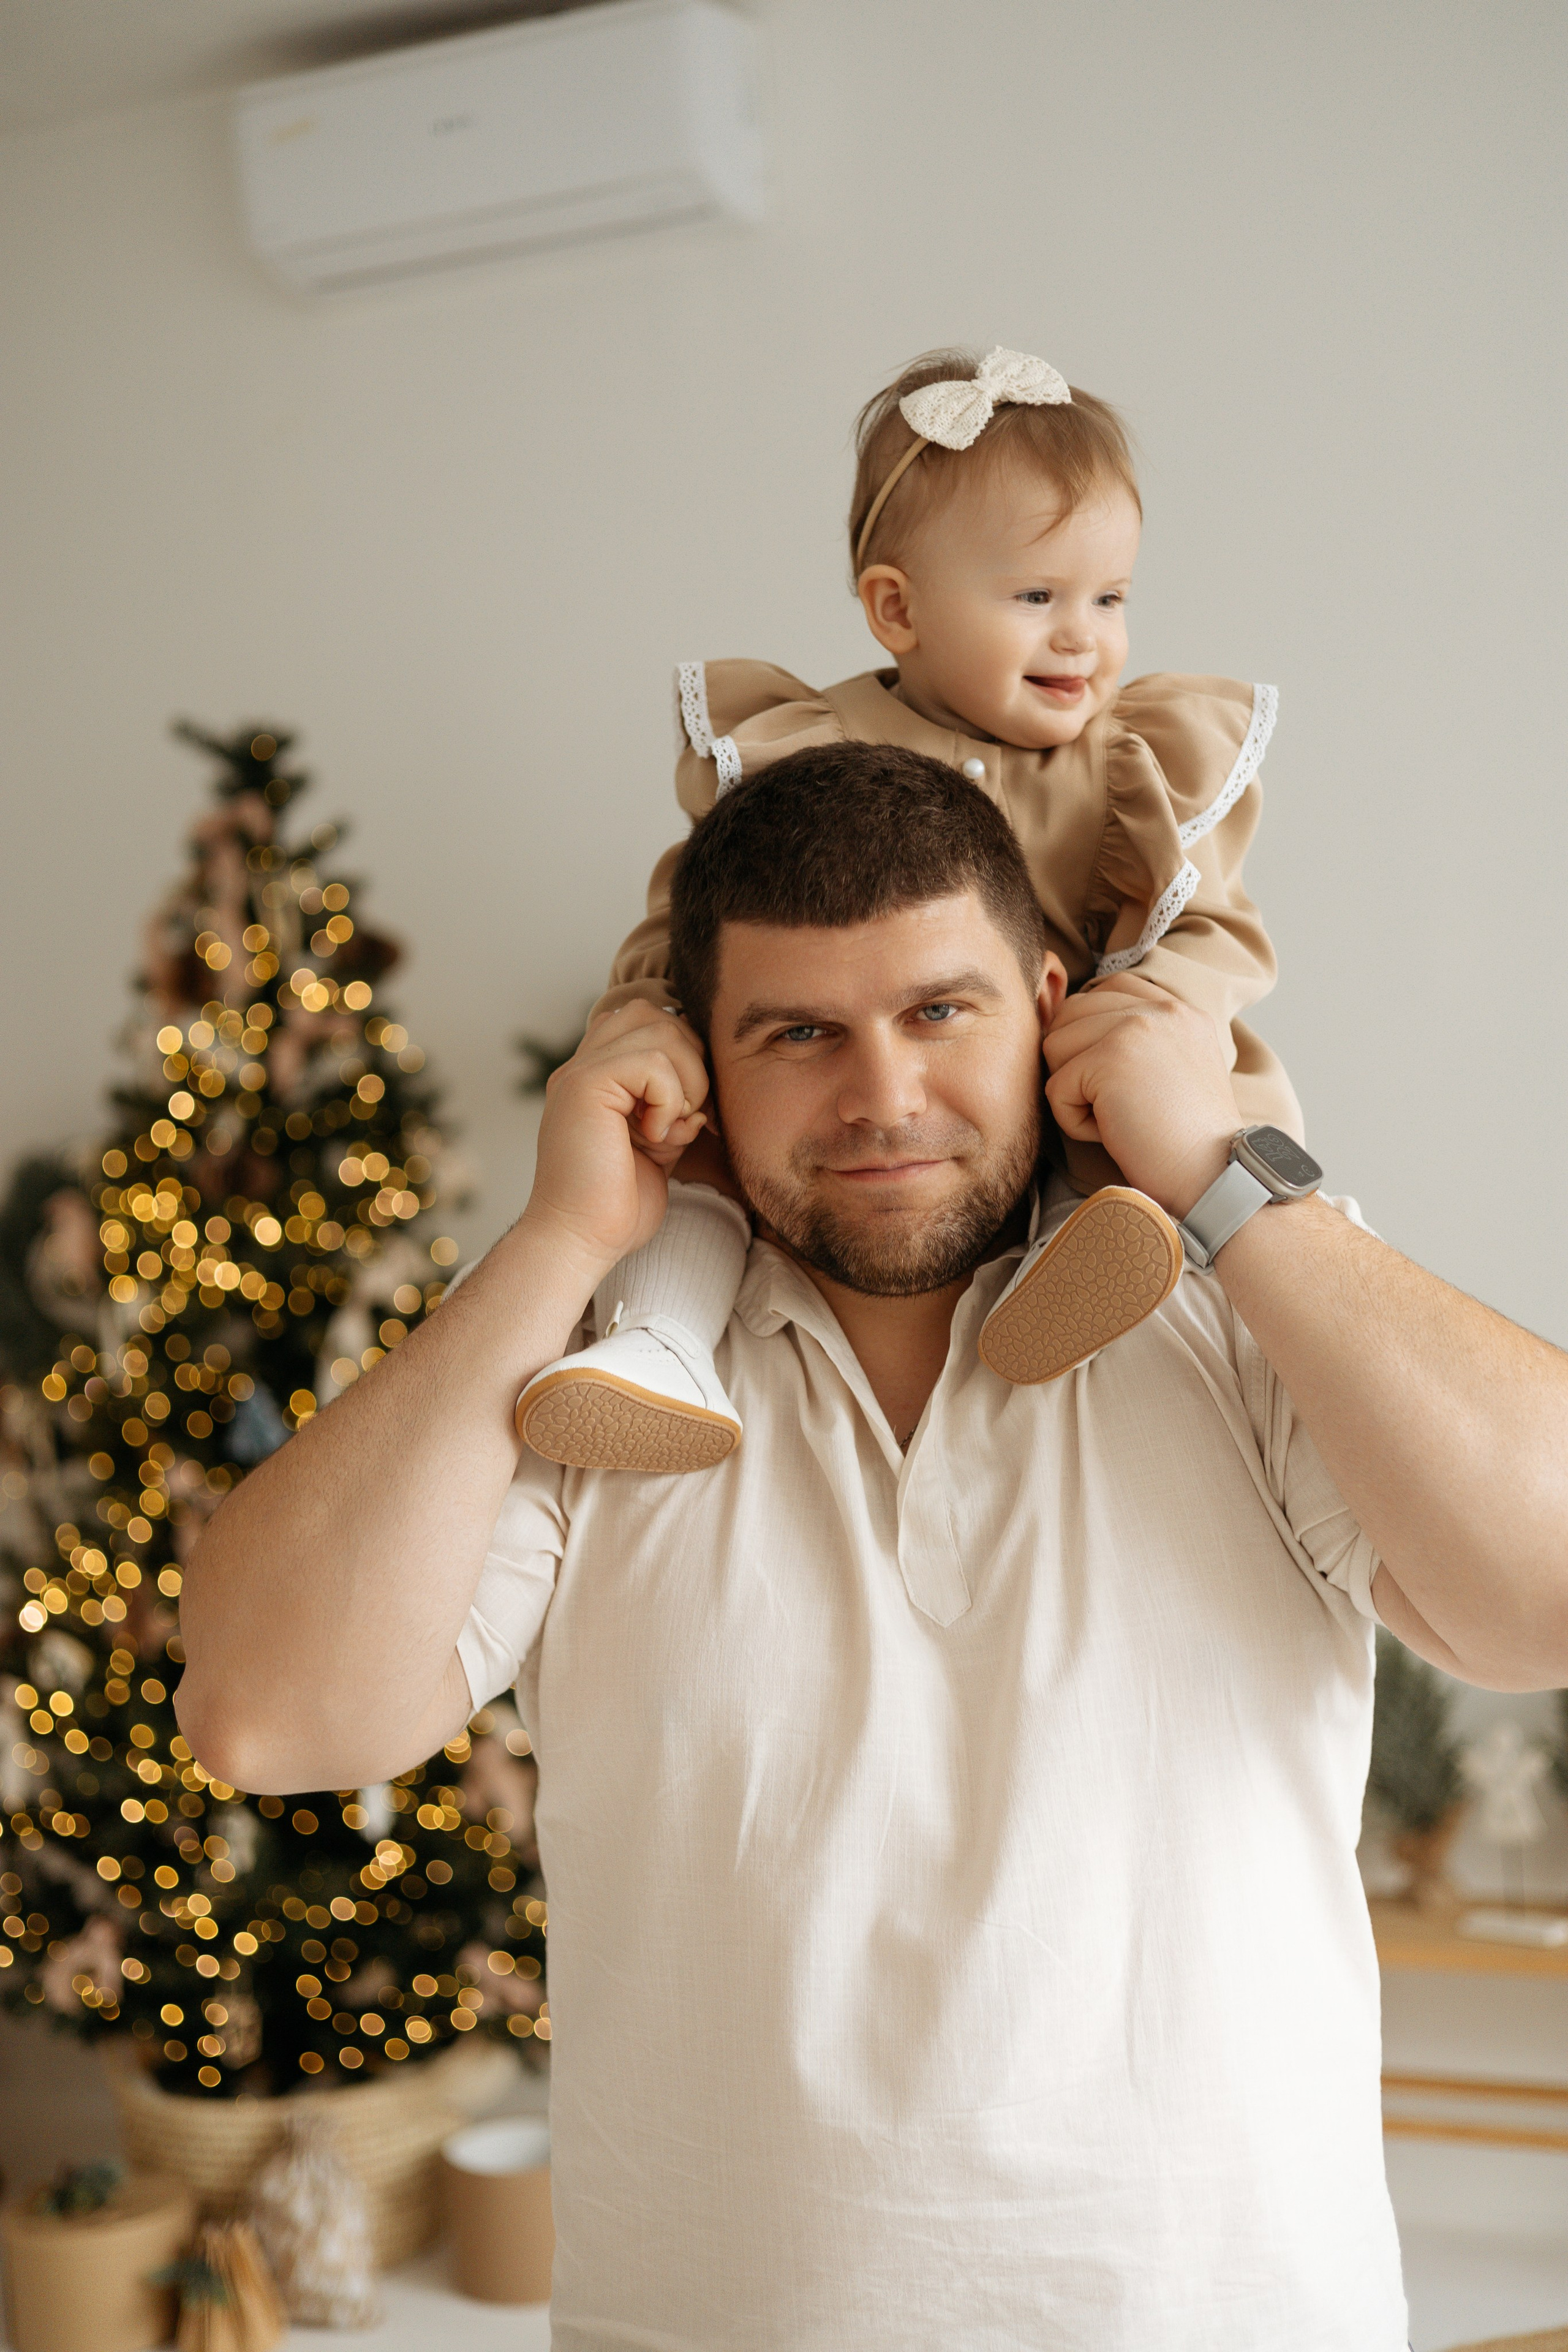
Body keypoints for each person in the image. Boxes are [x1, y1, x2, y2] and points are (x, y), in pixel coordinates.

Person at [177, 745, 1568, 2351]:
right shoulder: (604, 1375)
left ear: (1055, 1000)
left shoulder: (1242, 1305)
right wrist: (563, 1235)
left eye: (940, 1012)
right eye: (799, 1033)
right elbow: (269, 1716)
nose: (884, 1096)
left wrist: (1220, 1175)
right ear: (699, 1062)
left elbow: (1542, 1599)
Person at [516, 342, 1300, 1474]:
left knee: (1143, 1119)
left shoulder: (1137, 764)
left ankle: (1072, 1272)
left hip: (1073, 1070)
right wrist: (653, 1018)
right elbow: (700, 915)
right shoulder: (807, 746)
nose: (1083, 633)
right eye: (1036, 597)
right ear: (897, 608)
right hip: (888, 1096)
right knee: (696, 1154)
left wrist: (1153, 1007)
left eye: (1110, 597)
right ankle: (662, 1343)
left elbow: (1214, 929)